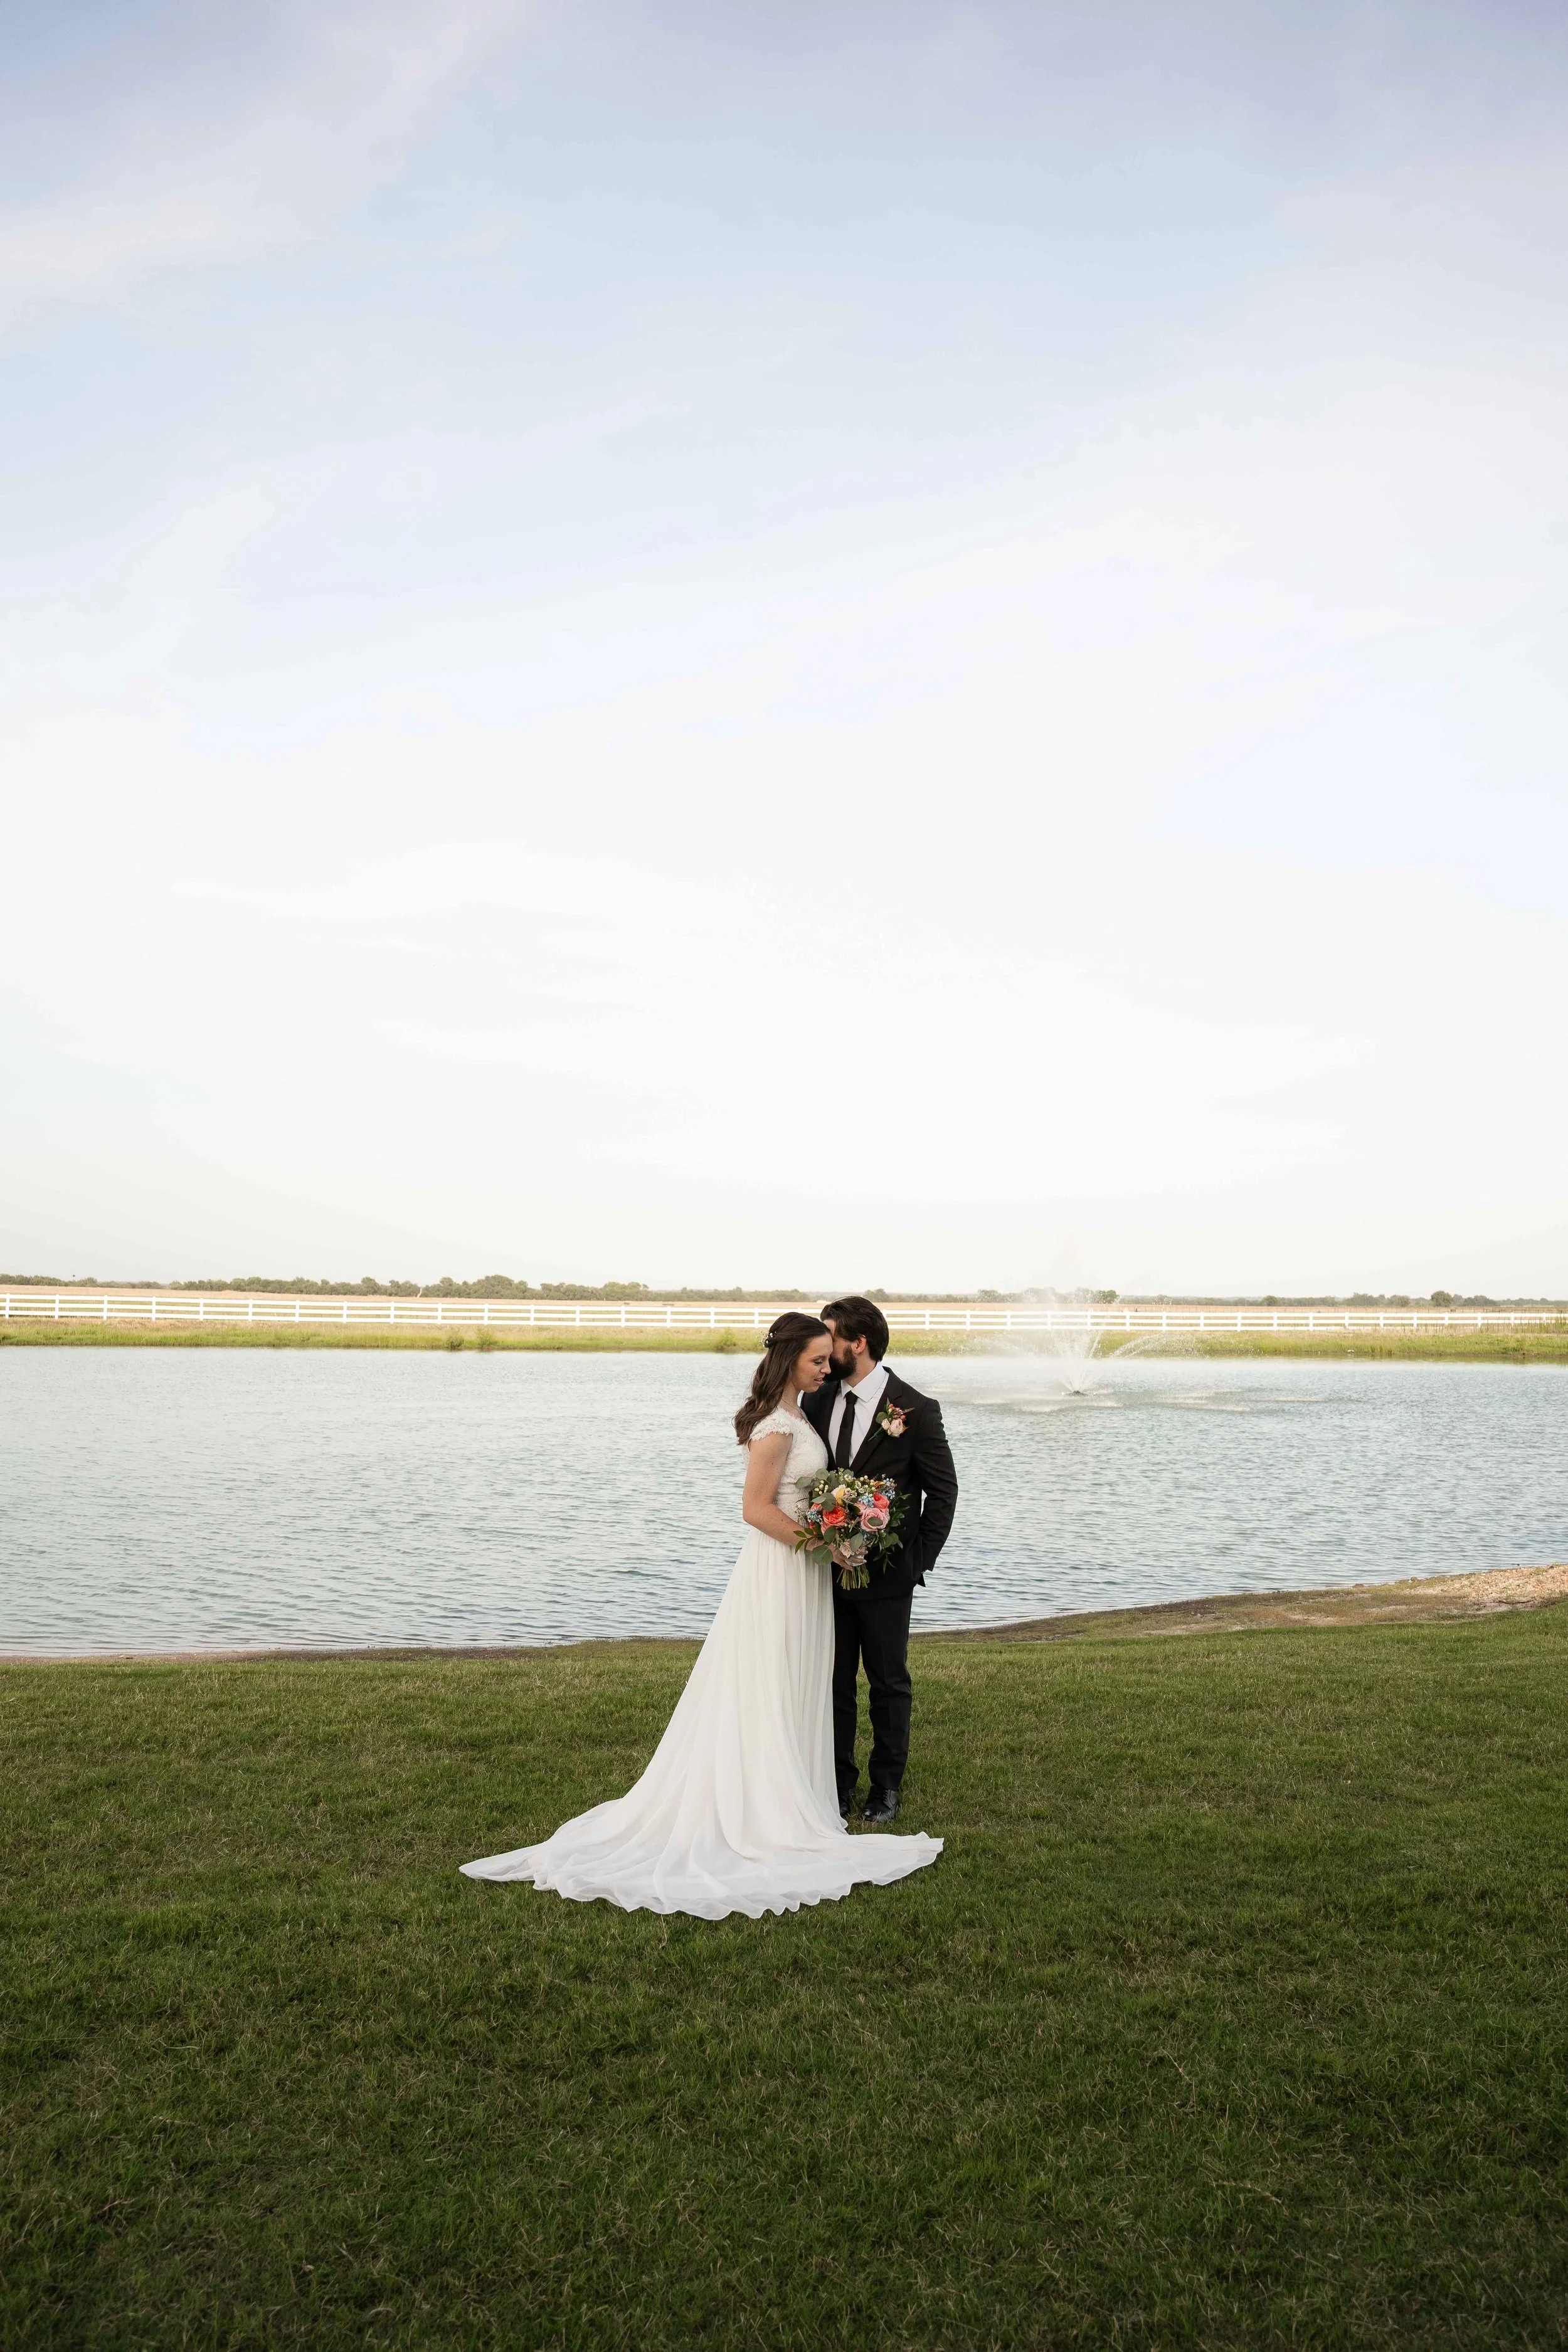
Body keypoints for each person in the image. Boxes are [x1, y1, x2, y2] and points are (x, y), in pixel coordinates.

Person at [460, 1313, 941, 1919]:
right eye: (817, 1360)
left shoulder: (806, 1411)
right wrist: (825, 1543)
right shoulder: (777, 1424)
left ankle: (803, 1791)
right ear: (791, 1359)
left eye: (829, 1358)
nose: (827, 1369)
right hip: (781, 1570)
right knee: (767, 1680)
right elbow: (755, 1509)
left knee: (798, 1681)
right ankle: (765, 1807)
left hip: (806, 1575)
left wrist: (843, 1530)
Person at [803, 1297, 958, 1825]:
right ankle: (839, 1785)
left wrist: (917, 1563)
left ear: (858, 1343)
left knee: (889, 1683)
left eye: (830, 1338)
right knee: (834, 1680)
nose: (824, 1349)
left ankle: (885, 1787)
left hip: (890, 1577)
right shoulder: (818, 1401)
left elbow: (943, 1494)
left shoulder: (914, 1409)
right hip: (825, 1570)